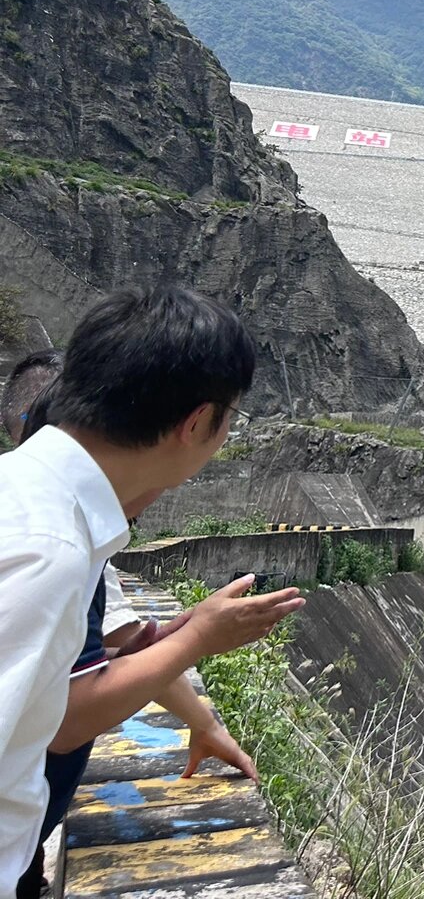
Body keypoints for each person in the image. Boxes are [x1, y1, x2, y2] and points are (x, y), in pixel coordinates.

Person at [0, 287, 304, 897]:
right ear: (196, 423)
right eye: (228, 420)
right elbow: (60, 724)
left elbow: (37, 705)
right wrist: (196, 639)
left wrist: (165, 640)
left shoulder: (35, 499)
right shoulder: (48, 544)